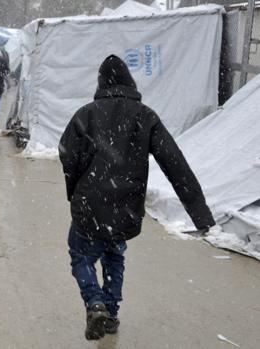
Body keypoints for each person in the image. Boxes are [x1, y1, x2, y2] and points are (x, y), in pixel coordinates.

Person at [59, 55, 215, 341]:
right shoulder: (145, 116)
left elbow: (67, 154)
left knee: (80, 255)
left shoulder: (87, 114)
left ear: (101, 82)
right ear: (129, 80)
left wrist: (75, 189)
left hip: (90, 206)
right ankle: (112, 311)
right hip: (126, 208)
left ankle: (95, 304)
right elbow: (175, 163)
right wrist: (200, 213)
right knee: (114, 256)